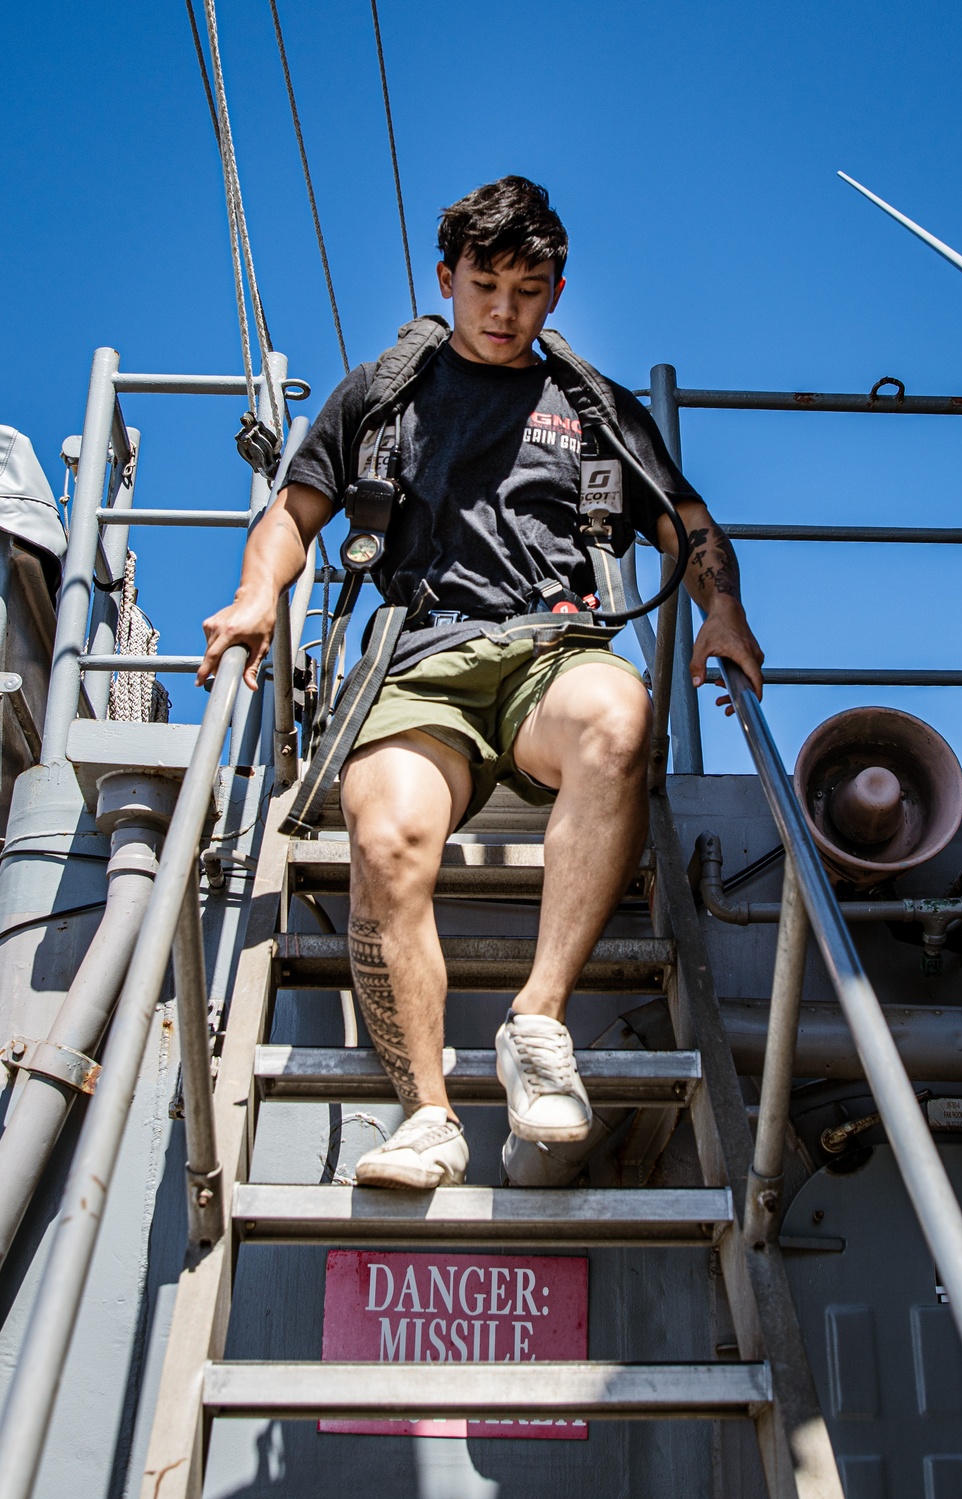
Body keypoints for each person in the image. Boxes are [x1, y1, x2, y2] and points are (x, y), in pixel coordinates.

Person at [197, 176, 764, 1190]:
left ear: (556, 289)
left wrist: (723, 611)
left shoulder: (590, 406)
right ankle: (427, 1115)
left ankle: (537, 1021)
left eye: (530, 289)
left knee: (620, 715)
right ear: (446, 275)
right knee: (386, 836)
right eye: (487, 284)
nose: (505, 311)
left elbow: (685, 519)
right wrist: (252, 596)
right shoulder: (384, 391)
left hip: (550, 649)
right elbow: (295, 510)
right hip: (419, 657)